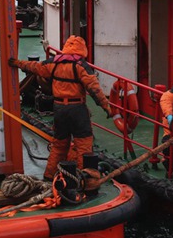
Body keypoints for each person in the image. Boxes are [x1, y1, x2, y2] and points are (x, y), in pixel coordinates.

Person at [8, 35, 111, 180]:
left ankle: (49, 176)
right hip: (77, 109)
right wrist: (106, 106)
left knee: (59, 145)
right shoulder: (82, 66)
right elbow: (94, 89)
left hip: (59, 109)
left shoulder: (53, 63)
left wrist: (17, 63)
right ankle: (84, 178)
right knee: (84, 145)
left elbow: (34, 67)